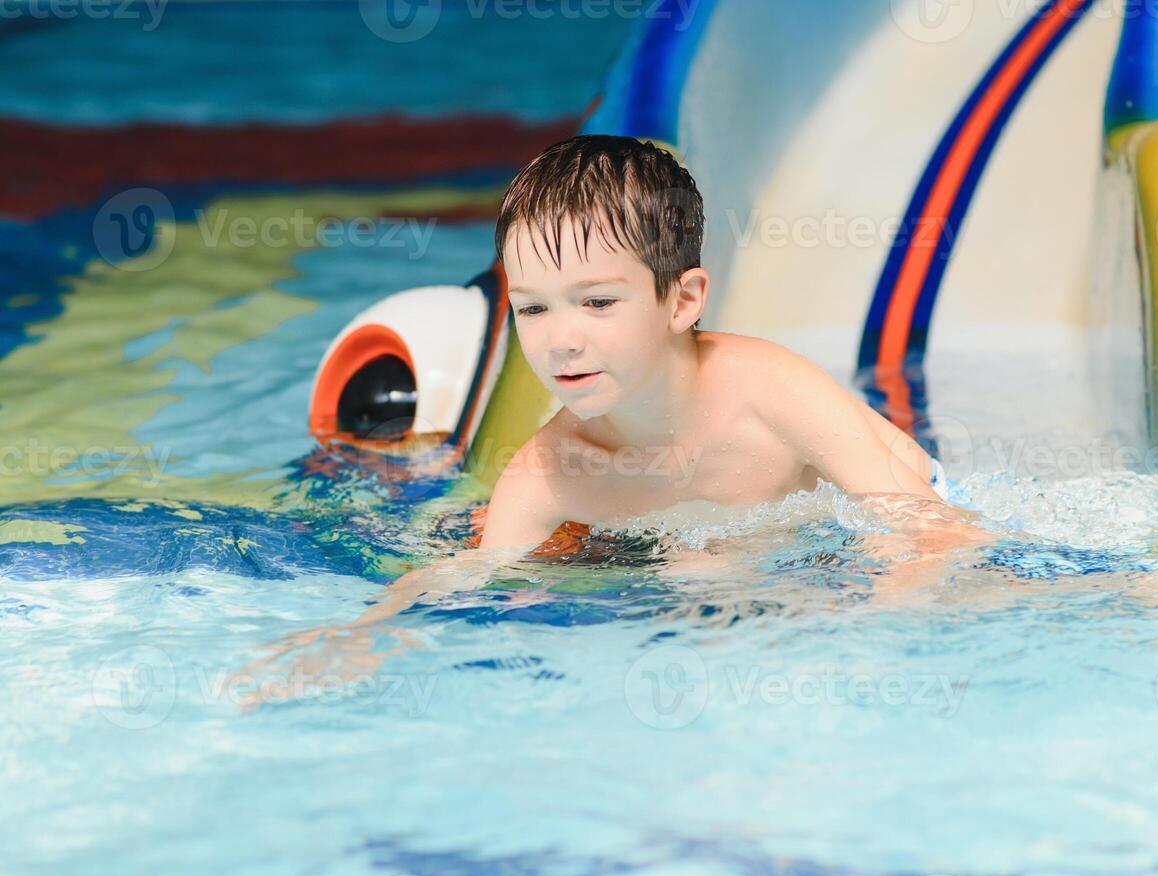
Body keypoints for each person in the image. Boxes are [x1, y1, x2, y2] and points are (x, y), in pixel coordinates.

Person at [233, 135, 991, 707]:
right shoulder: (549, 472)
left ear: (683, 300)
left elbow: (928, 526)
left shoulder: (769, 391)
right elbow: (472, 578)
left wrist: (878, 642)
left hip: (897, 514)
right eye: (532, 308)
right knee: (692, 579)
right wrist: (366, 634)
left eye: (597, 302)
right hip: (726, 556)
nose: (561, 338)